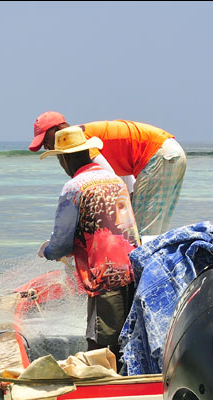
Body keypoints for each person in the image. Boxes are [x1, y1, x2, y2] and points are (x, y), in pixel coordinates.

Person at [37, 126, 140, 362]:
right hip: (133, 269)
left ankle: (100, 387)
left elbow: (61, 243)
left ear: (65, 158)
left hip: (105, 275)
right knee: (126, 338)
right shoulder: (115, 180)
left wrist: (47, 251)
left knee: (99, 341)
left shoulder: (74, 187)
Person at [29, 111, 186, 237]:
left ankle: (144, 274)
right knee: (153, 227)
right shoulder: (88, 134)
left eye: (45, 140)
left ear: (58, 130)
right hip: (170, 152)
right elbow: (124, 183)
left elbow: (110, 184)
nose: (46, 147)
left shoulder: (80, 143)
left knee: (140, 233)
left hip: (157, 155)